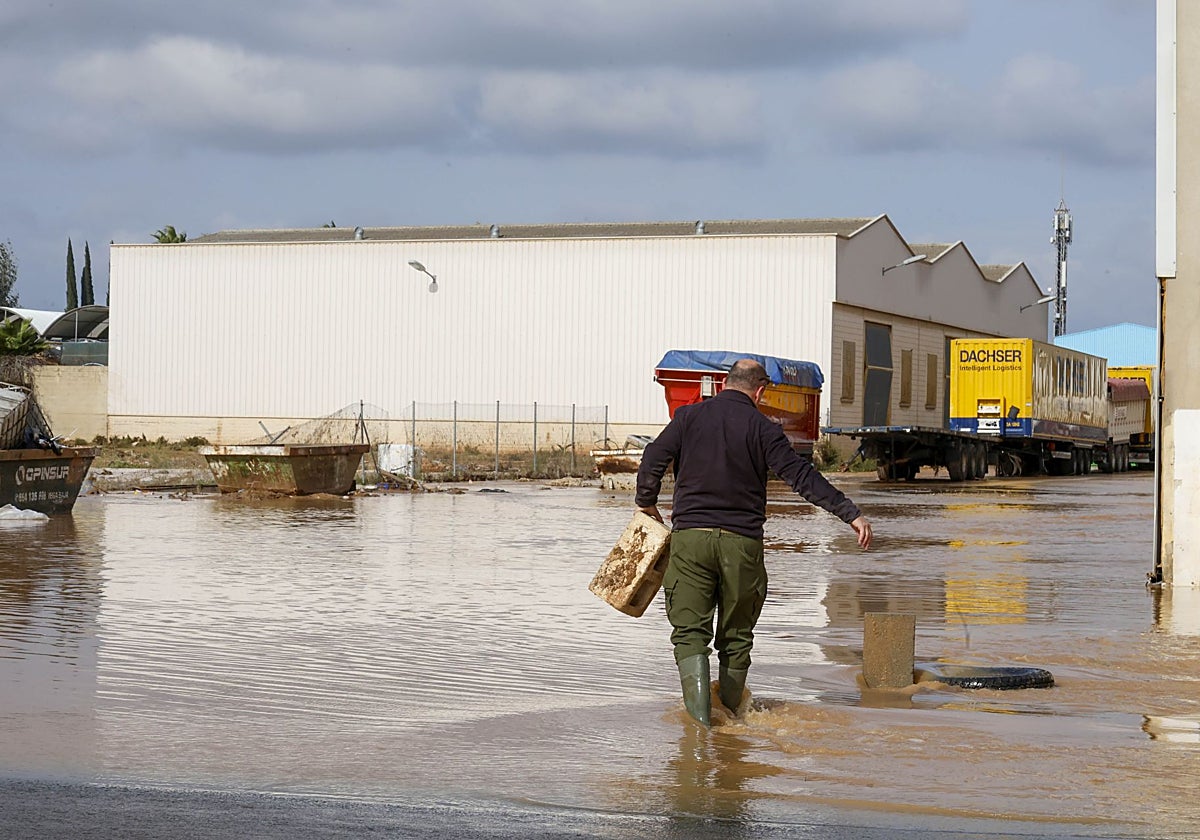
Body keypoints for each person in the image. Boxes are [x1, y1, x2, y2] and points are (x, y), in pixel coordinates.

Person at [635, 358, 872, 726]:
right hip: (741, 545)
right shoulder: (764, 429)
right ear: (760, 391)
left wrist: (647, 501)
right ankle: (729, 723)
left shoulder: (688, 417)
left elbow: (653, 456)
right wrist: (849, 513)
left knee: (690, 635)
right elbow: (802, 477)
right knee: (735, 638)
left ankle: (701, 731)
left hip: (691, 541)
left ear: (723, 384)